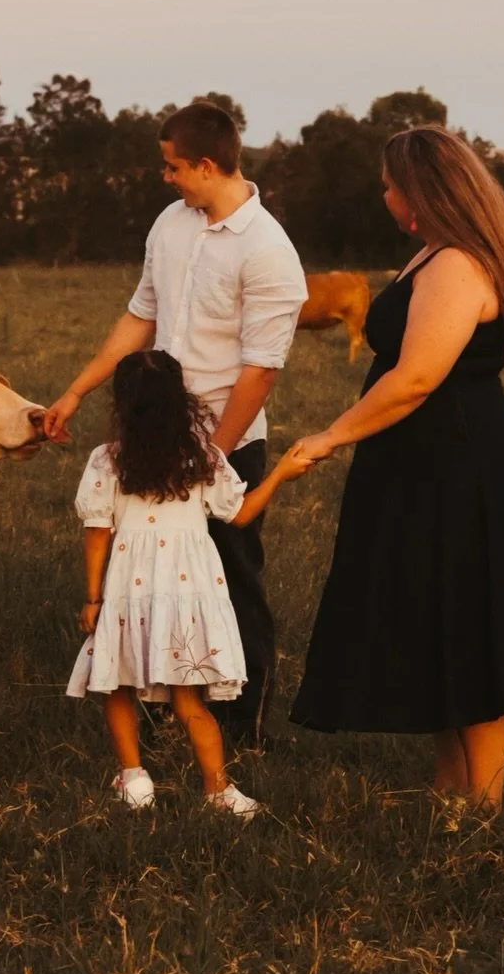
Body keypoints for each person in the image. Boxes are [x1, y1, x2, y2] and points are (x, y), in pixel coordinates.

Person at [287, 125, 504, 813]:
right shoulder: (432, 254)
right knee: (429, 613)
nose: (382, 195)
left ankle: (484, 805)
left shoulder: (459, 264)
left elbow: (416, 378)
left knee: (471, 619)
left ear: (420, 190)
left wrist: (330, 436)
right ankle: (449, 785)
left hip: (458, 465)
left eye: (388, 184)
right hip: (417, 461)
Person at [44, 100, 307, 746]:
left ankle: (241, 729)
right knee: (153, 582)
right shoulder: (169, 223)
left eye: (172, 166)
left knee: (230, 581)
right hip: (152, 440)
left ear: (208, 165)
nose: (165, 177)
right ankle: (168, 708)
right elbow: (141, 316)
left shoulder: (268, 250)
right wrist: (76, 392)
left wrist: (210, 457)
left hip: (224, 446)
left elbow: (260, 370)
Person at [67, 350, 314, 812]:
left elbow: (97, 533)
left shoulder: (107, 461)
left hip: (129, 592)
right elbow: (240, 514)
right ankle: (218, 790)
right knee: (189, 701)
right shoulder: (204, 458)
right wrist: (280, 473)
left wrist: (93, 599)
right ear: (181, 400)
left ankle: (134, 780)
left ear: (121, 403)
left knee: (117, 686)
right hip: (188, 595)